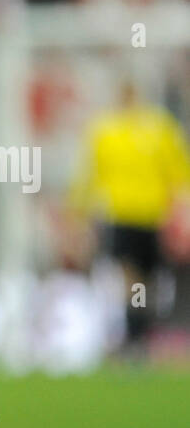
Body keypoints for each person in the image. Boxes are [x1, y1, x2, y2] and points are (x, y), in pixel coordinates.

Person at [68, 79, 190, 355]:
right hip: (120, 215)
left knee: (149, 278)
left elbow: (179, 172)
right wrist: (79, 211)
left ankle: (143, 330)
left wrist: (180, 209)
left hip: (152, 216)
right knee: (129, 275)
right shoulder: (106, 131)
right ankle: (134, 331)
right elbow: (91, 174)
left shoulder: (158, 129)